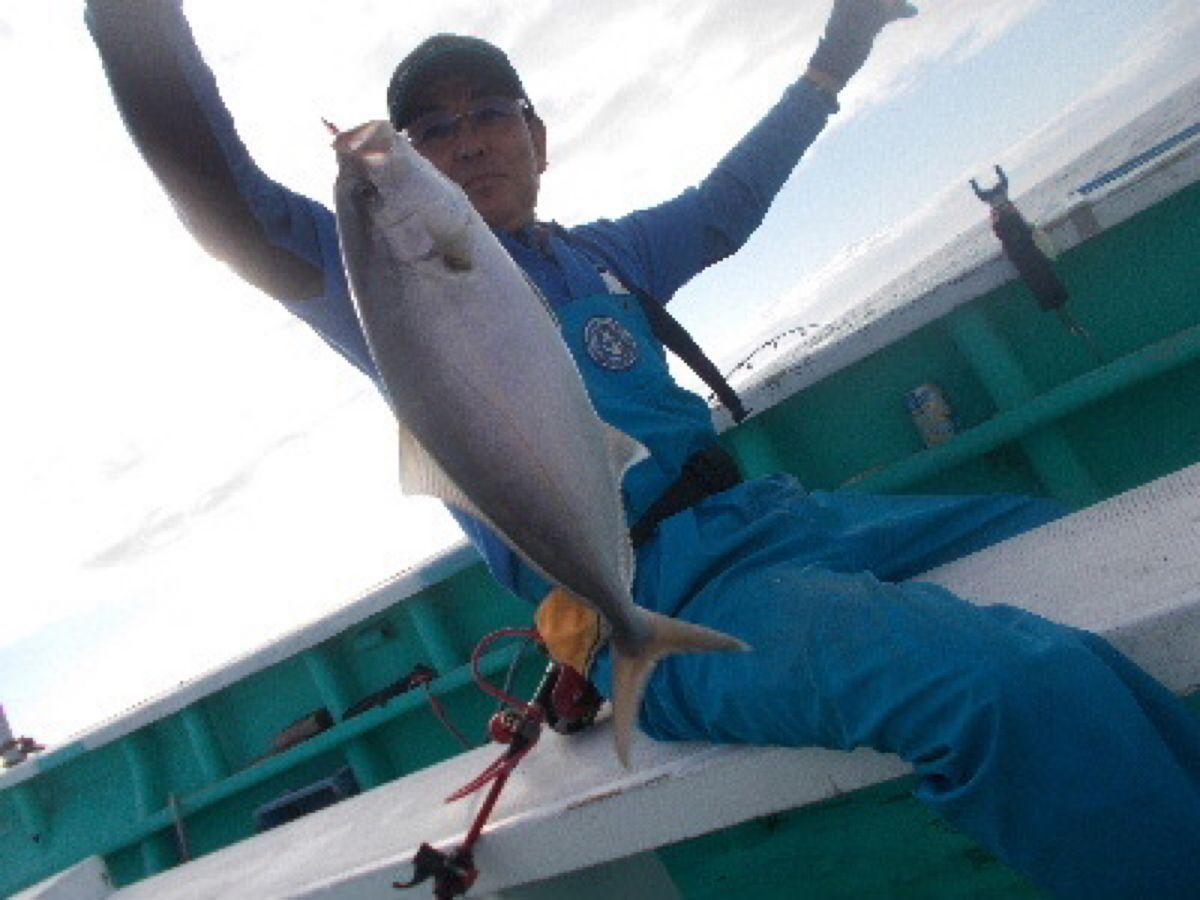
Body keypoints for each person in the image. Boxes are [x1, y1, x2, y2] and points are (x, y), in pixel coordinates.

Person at [85, 1, 1200, 896]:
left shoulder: (603, 254)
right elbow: (212, 183)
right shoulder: (369, 274)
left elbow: (731, 202)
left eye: (490, 113)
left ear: (539, 139)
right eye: (429, 129)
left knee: (1090, 544)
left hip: (787, 519)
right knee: (993, 686)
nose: (463, 139)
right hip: (657, 590)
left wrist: (835, 54)